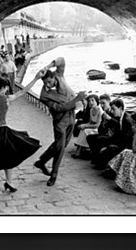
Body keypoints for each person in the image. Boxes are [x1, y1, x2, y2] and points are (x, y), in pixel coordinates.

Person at [33, 56, 87, 186]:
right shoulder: (44, 96)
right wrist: (77, 99)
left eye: (49, 82)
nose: (47, 85)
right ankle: (53, 175)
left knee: (61, 144)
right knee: (60, 148)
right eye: (45, 83)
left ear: (53, 78)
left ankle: (41, 161)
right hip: (60, 121)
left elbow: (62, 60)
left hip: (71, 117)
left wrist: (48, 66)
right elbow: (59, 108)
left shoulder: (59, 75)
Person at [94, 98, 134, 172]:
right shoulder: (120, 117)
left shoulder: (127, 120)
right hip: (119, 140)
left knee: (111, 147)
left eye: (113, 109)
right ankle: (101, 162)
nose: (112, 111)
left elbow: (126, 139)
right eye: (111, 109)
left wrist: (109, 145)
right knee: (99, 139)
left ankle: (108, 167)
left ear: (120, 108)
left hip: (126, 145)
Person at [86, 94, 120, 168]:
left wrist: (109, 119)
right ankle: (96, 158)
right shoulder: (104, 114)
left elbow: (118, 124)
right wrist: (104, 124)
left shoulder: (114, 112)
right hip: (106, 134)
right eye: (101, 103)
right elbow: (100, 129)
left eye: (103, 103)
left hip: (113, 136)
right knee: (90, 137)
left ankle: (101, 162)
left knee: (99, 139)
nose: (102, 105)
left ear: (109, 102)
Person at [72, 94, 104, 158]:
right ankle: (79, 149)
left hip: (98, 129)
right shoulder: (91, 110)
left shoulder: (100, 111)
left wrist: (86, 126)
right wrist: (84, 125)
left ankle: (79, 150)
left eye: (93, 100)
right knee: (82, 129)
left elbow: (98, 125)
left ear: (97, 101)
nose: (91, 102)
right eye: (89, 101)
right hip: (93, 127)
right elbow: (90, 122)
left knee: (86, 131)